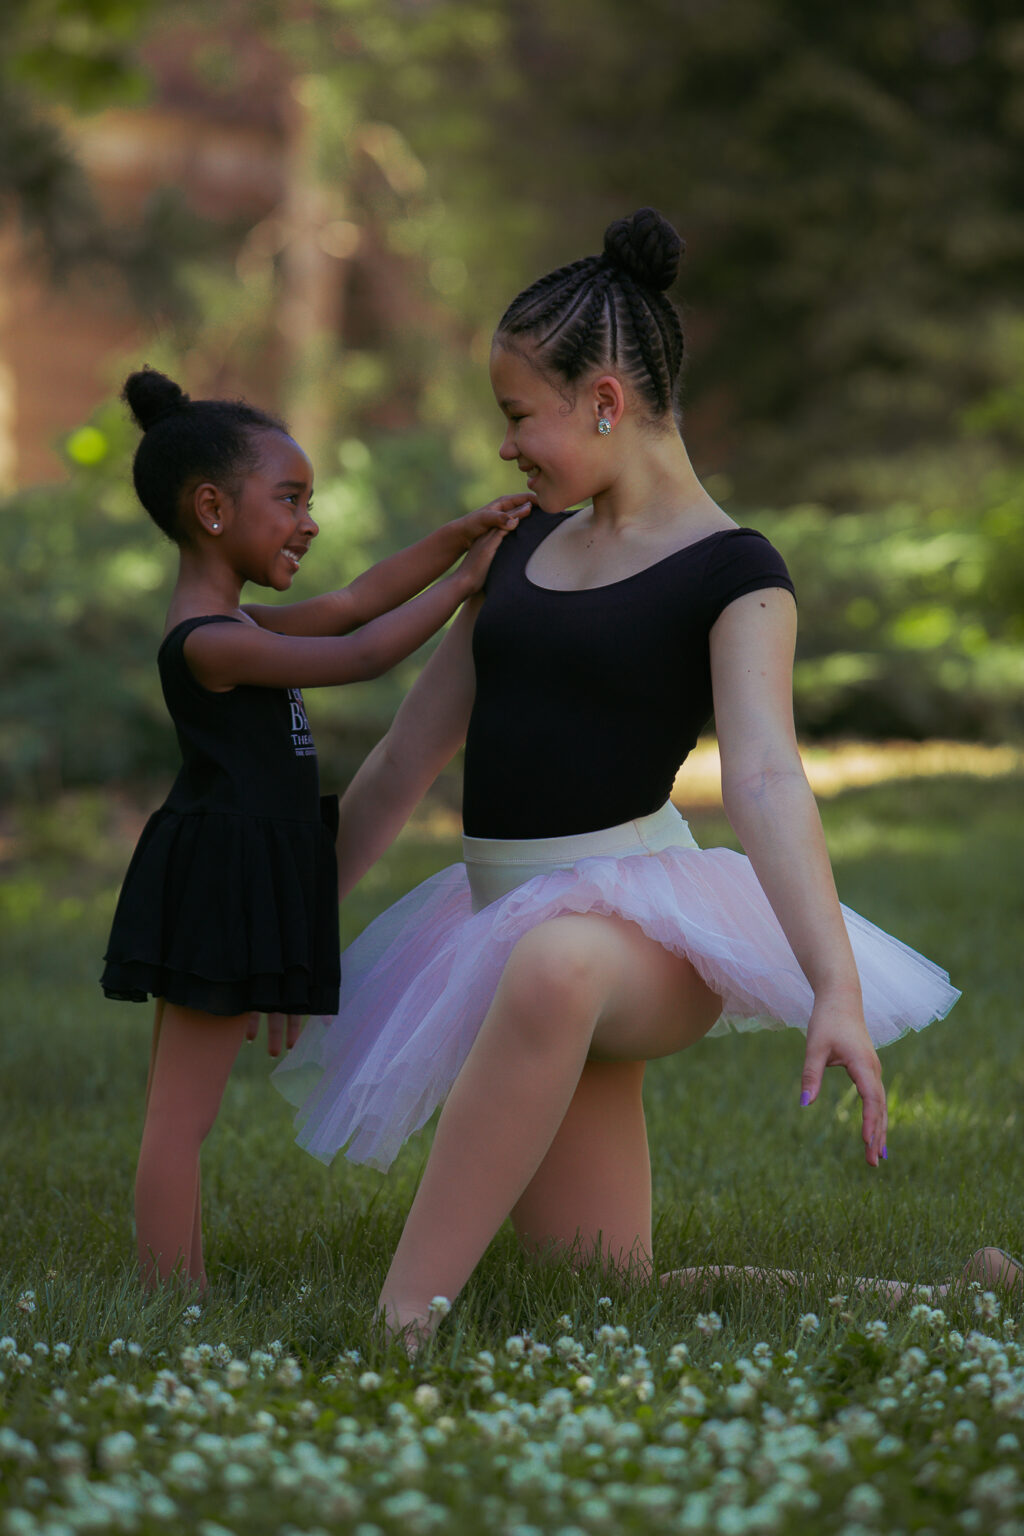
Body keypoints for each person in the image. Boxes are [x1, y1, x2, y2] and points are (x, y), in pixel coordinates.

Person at [274, 209, 965, 1344]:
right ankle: (945, 1298)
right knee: (600, 1282)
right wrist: (297, 933)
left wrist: (831, 985)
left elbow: (766, 778)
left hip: (638, 926)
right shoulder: (525, 547)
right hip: (498, 911)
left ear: (603, 399)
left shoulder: (736, 572)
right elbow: (407, 756)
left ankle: (399, 1323)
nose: (506, 448)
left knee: (553, 967)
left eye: (518, 417)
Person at [100, 366, 532, 1290]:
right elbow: (364, 651)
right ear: (211, 508)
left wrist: (456, 538)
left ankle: (175, 1283)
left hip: (247, 872)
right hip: (218, 884)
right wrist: (465, 585)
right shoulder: (209, 642)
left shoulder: (239, 621)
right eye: (290, 498)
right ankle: (172, 1295)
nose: (310, 520)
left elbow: (352, 604)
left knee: (184, 1112)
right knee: (181, 1118)